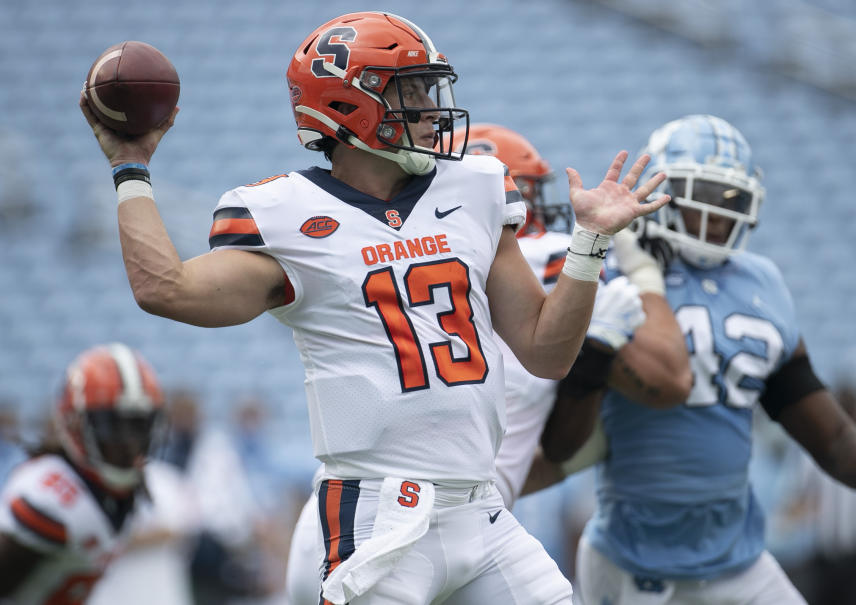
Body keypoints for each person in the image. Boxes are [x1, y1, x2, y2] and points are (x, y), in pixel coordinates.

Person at [79, 11, 670, 604]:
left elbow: (545, 352)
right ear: (348, 104)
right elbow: (166, 289)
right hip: (379, 513)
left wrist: (589, 243)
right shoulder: (284, 214)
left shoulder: (477, 187)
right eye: (409, 89)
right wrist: (131, 166)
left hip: (480, 505)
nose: (431, 107)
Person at [537, 114, 856, 604]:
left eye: (731, 200)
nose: (719, 214)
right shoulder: (615, 273)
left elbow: (831, 436)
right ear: (666, 190)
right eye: (707, 196)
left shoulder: (762, 283)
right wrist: (593, 357)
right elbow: (562, 441)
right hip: (637, 565)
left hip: (740, 562)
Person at [283, 123, 674, 602]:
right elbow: (671, 377)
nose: (525, 210)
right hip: (396, 530)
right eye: (518, 194)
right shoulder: (550, 256)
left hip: (368, 518)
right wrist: (642, 273)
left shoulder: (413, 250)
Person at [0, 343, 165, 604]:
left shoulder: (118, 488)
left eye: (139, 425)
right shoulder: (50, 497)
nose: (130, 441)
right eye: (114, 426)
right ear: (75, 425)